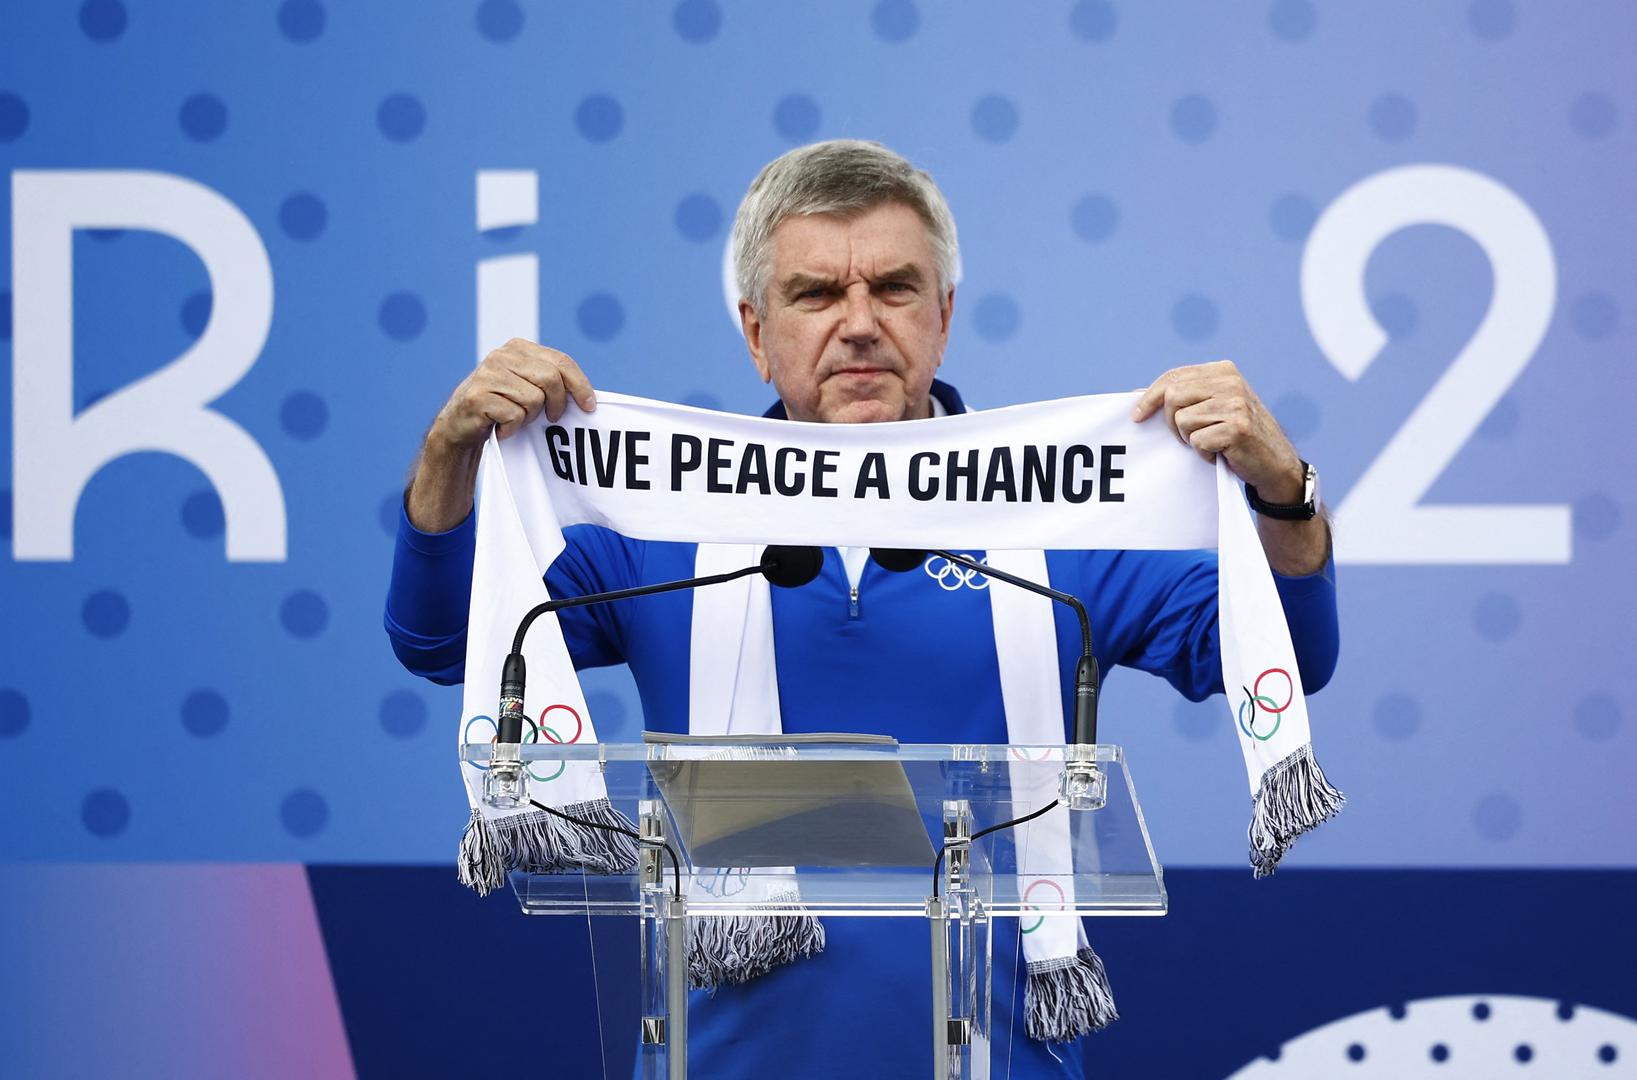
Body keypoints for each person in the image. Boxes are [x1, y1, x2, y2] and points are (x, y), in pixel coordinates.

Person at [386, 140, 1338, 1078]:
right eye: (815, 294)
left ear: (944, 316)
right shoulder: (652, 523)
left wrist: (1284, 494)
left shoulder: (1065, 515)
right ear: (757, 333)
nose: (858, 323)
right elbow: (441, 645)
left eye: (892, 288)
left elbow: (1286, 657)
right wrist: (448, 460)